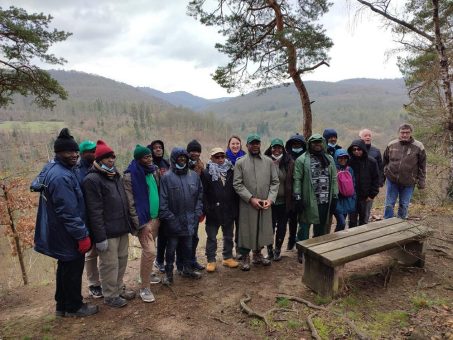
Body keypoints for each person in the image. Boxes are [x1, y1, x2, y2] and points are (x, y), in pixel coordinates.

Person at [33, 128, 98, 317]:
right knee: (72, 269)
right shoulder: (61, 177)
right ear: (58, 153)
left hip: (59, 231)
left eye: (76, 151)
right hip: (67, 233)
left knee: (64, 267)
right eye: (69, 152)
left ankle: (61, 306)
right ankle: (74, 307)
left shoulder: (55, 169)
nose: (75, 155)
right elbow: (69, 212)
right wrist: (82, 235)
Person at [82, 140, 135, 308]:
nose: (111, 160)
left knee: (121, 261)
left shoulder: (115, 175)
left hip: (121, 228)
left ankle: (118, 288)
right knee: (109, 264)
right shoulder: (92, 179)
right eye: (107, 157)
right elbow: (94, 211)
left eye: (113, 157)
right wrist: (100, 237)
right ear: (99, 159)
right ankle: (110, 295)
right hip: (107, 232)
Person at [233, 133, 279, 271]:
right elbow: (237, 184)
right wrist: (251, 198)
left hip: (265, 203)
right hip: (247, 204)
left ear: (260, 144)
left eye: (257, 143)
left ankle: (258, 254)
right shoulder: (240, 162)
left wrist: (270, 200)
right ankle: (245, 256)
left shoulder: (268, 161)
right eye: (252, 143)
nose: (255, 146)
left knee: (262, 228)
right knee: (246, 230)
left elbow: (275, 182)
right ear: (247, 146)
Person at [159, 147, 203, 285]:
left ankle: (187, 269)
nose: (182, 159)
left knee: (188, 247)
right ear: (174, 159)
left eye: (184, 157)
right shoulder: (166, 177)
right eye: (179, 157)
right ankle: (168, 274)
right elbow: (163, 203)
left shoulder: (194, 176)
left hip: (190, 221)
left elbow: (199, 197)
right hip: (173, 223)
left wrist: (197, 214)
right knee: (171, 249)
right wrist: (171, 220)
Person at [123, 145, 161, 303]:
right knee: (150, 251)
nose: (149, 159)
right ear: (138, 159)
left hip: (156, 218)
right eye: (146, 157)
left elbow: (158, 191)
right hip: (143, 222)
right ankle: (144, 288)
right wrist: (140, 225)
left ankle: (146, 273)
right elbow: (130, 204)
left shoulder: (153, 171)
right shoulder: (130, 175)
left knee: (151, 251)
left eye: (150, 156)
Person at [293, 134, 338, 263]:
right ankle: (301, 250)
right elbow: (297, 179)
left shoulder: (329, 158)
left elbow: (334, 178)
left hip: (325, 199)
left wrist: (335, 196)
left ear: (323, 143)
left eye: (319, 142)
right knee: (304, 226)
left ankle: (316, 249)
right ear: (309, 144)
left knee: (321, 226)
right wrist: (297, 197)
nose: (317, 144)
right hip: (308, 199)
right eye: (314, 143)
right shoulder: (302, 160)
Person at [201, 147, 239, 272]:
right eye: (217, 157)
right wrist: (208, 208)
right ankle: (211, 260)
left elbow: (235, 190)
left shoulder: (231, 170)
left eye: (222, 156)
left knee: (228, 235)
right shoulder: (206, 173)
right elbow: (203, 193)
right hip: (213, 211)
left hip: (228, 209)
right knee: (211, 237)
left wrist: (234, 207)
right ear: (211, 158)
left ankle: (227, 257)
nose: (220, 159)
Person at [74, 140, 103, 299]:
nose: (94, 153)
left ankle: (106, 281)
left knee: (104, 250)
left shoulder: (98, 166)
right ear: (83, 153)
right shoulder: (76, 171)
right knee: (91, 253)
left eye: (95, 150)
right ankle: (94, 283)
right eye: (91, 151)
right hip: (85, 218)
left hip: (98, 216)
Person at [383, 123, 426, 219]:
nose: (405, 135)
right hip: (392, 179)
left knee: (404, 204)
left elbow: (422, 166)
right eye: (402, 132)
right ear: (399, 133)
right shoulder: (391, 144)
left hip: (409, 181)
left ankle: (401, 224)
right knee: (389, 204)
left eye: (407, 132)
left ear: (411, 133)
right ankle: (386, 223)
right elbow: (384, 161)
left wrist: (421, 181)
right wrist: (383, 176)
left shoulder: (419, 146)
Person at [264, 138, 294, 261]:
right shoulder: (265, 161)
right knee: (269, 227)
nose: (277, 150)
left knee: (282, 227)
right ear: (270, 148)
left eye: (279, 148)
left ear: (283, 149)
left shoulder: (289, 162)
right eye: (274, 147)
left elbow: (293, 180)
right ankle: (269, 251)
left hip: (284, 201)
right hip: (269, 202)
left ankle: (277, 250)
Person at [180, 139, 205, 271]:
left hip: (196, 207)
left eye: (197, 151)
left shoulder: (201, 166)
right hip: (183, 207)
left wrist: (202, 208)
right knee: (185, 237)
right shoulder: (181, 166)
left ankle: (192, 260)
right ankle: (184, 264)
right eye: (192, 151)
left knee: (194, 237)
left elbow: (203, 189)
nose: (195, 153)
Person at [147, 140, 170, 274]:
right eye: (155, 148)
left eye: (160, 147)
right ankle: (149, 268)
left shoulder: (166, 163)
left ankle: (160, 261)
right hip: (154, 207)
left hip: (166, 204)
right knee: (151, 239)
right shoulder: (149, 165)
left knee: (164, 235)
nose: (158, 150)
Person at [347, 139, 380, 228]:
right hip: (352, 196)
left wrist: (372, 195)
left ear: (363, 149)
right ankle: (352, 239)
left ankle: (363, 239)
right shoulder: (349, 162)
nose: (356, 151)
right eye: (354, 149)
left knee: (364, 220)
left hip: (365, 197)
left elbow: (376, 179)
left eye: (359, 149)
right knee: (352, 220)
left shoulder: (371, 161)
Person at [284, 133, 306, 251]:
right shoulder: (287, 157)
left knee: (303, 219)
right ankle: (291, 239)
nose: (296, 146)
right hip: (290, 194)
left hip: (304, 193)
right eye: (294, 144)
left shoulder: (306, 157)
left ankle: (300, 242)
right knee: (292, 219)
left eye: (299, 144)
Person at [225, 135, 246, 259]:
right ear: (229, 145)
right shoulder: (223, 158)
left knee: (240, 226)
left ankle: (239, 250)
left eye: (237, 143)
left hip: (241, 197)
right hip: (228, 198)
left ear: (240, 145)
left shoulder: (245, 157)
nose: (235, 146)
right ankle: (227, 253)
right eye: (233, 144)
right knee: (228, 227)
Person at [333, 149, 357, 232]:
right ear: (336, 158)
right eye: (340, 158)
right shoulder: (333, 169)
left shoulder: (349, 169)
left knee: (345, 223)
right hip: (337, 200)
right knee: (342, 223)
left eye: (345, 158)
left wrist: (353, 197)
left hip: (348, 200)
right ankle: (334, 240)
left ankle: (340, 241)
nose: (343, 160)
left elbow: (353, 184)